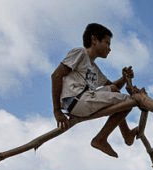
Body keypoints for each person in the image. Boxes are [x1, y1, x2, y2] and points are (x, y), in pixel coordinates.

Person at [52, 23, 138, 158]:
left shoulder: (94, 68)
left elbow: (113, 88)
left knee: (115, 91)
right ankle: (100, 139)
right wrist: (57, 111)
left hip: (84, 99)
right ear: (94, 40)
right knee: (130, 101)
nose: (109, 49)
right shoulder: (80, 53)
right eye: (107, 43)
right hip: (76, 99)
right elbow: (56, 75)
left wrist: (124, 77)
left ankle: (126, 134)